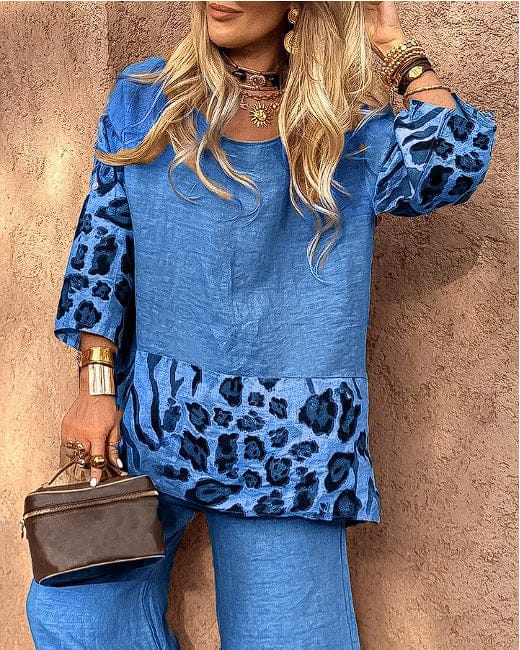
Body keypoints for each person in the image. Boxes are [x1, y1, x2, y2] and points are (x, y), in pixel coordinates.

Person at [25, 2, 497, 648]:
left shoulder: (348, 132)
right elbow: (102, 245)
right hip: (152, 423)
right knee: (74, 615)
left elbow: (451, 167)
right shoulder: (147, 99)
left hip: (287, 450)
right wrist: (95, 385)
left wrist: (394, 44)